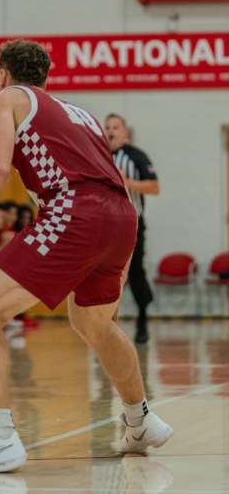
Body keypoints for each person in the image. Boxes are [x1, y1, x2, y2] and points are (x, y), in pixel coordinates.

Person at [0, 39, 172, 473]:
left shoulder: (4, 99)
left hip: (74, 209)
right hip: (121, 217)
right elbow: (111, 182)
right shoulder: (82, 114)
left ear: (1, 74)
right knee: (94, 322)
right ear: (46, 80)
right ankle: (140, 419)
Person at [105, 113, 160, 344]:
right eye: (107, 127)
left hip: (133, 226)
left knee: (135, 273)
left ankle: (142, 319)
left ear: (125, 131)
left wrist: (126, 183)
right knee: (107, 276)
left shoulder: (136, 156)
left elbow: (154, 187)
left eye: (115, 127)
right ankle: (107, 324)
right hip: (107, 228)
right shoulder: (100, 156)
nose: (110, 131)